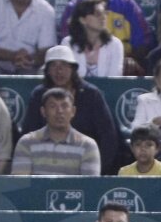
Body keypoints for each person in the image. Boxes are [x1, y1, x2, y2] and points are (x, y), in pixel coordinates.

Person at [22, 45, 120, 174]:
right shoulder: (39, 94)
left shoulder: (91, 94)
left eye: (64, 65)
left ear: (73, 69)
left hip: (87, 161)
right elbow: (29, 131)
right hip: (45, 162)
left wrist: (97, 170)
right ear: (47, 71)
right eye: (53, 66)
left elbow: (108, 136)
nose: (59, 71)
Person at [11, 87, 102, 176]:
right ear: (43, 112)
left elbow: (90, 187)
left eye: (64, 106)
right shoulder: (26, 143)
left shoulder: (87, 145)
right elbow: (21, 186)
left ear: (73, 111)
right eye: (53, 106)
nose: (59, 111)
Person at [66, 0, 124, 79]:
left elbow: (114, 80)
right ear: (83, 20)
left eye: (104, 13)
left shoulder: (115, 44)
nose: (103, 17)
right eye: (97, 14)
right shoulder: (67, 44)